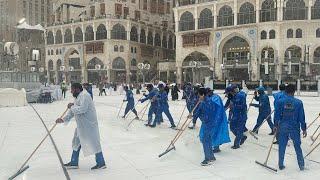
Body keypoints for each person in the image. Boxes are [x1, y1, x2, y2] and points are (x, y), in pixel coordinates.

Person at [55, 83, 106, 170]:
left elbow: (83, 109)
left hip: (89, 125)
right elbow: (72, 112)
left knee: (94, 144)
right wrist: (63, 119)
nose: (71, 91)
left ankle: (101, 163)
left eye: (72, 89)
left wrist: (72, 107)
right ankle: (74, 162)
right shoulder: (78, 97)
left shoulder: (85, 96)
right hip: (82, 126)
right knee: (76, 143)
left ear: (77, 89)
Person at [274, 84, 307, 171]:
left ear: (285, 91)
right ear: (294, 91)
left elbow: (276, 114)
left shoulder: (280, 101)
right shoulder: (299, 103)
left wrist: (275, 125)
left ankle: (281, 164)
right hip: (294, 127)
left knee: (282, 145)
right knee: (297, 146)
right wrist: (304, 128)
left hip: (283, 126)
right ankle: (301, 165)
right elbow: (301, 117)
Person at [189, 87, 215, 166]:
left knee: (205, 140)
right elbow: (198, 112)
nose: (198, 97)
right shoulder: (207, 101)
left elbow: (206, 115)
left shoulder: (205, 103)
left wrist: (203, 119)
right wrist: (192, 116)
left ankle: (208, 159)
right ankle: (212, 156)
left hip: (208, 123)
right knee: (208, 140)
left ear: (203, 95)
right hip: (210, 123)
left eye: (199, 95)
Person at [226, 84, 248, 149]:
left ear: (232, 91)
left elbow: (242, 106)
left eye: (228, 93)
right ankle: (242, 137)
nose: (227, 94)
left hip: (241, 116)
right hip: (235, 115)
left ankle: (236, 144)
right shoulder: (231, 97)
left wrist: (234, 104)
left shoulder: (241, 96)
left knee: (239, 130)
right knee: (232, 128)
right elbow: (226, 105)